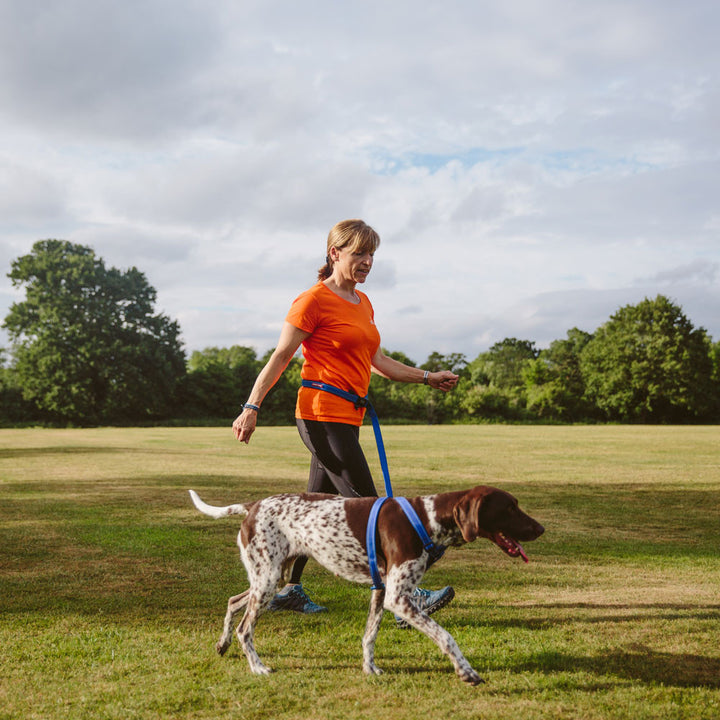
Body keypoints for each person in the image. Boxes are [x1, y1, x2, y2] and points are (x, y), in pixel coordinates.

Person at [232, 219, 459, 622]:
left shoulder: (362, 303)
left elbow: (377, 362)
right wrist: (252, 407)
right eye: (358, 253)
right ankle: (407, 595)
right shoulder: (312, 300)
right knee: (373, 508)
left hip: (348, 416)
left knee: (313, 507)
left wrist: (427, 377)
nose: (367, 261)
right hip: (321, 415)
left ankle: (290, 590)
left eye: (371, 254)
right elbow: (281, 356)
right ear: (334, 253)